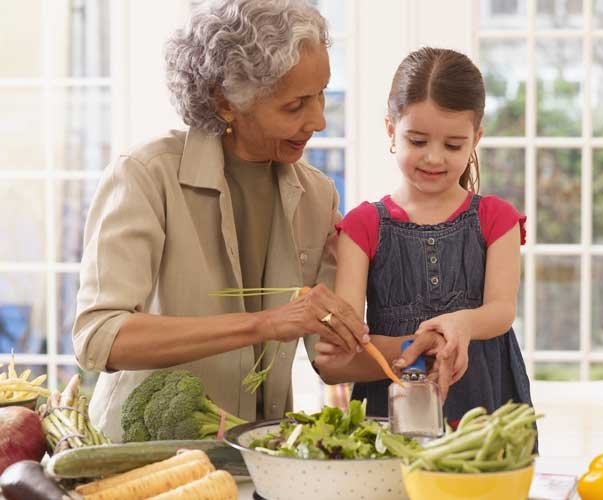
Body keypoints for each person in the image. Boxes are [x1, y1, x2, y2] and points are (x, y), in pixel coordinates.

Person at [73, 0, 378, 442]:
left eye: (322, 94)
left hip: (254, 455)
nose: (319, 120)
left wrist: (414, 348)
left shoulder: (317, 196)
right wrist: (266, 324)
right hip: (143, 459)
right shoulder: (146, 174)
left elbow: (330, 357)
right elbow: (98, 337)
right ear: (226, 101)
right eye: (295, 105)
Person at [313, 47, 533, 422]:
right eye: (417, 141)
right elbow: (342, 351)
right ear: (390, 131)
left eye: (453, 145)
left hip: (484, 404)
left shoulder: (497, 218)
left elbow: (501, 310)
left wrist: (459, 324)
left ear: (475, 139)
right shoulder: (362, 225)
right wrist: (423, 345)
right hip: (391, 410)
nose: (434, 158)